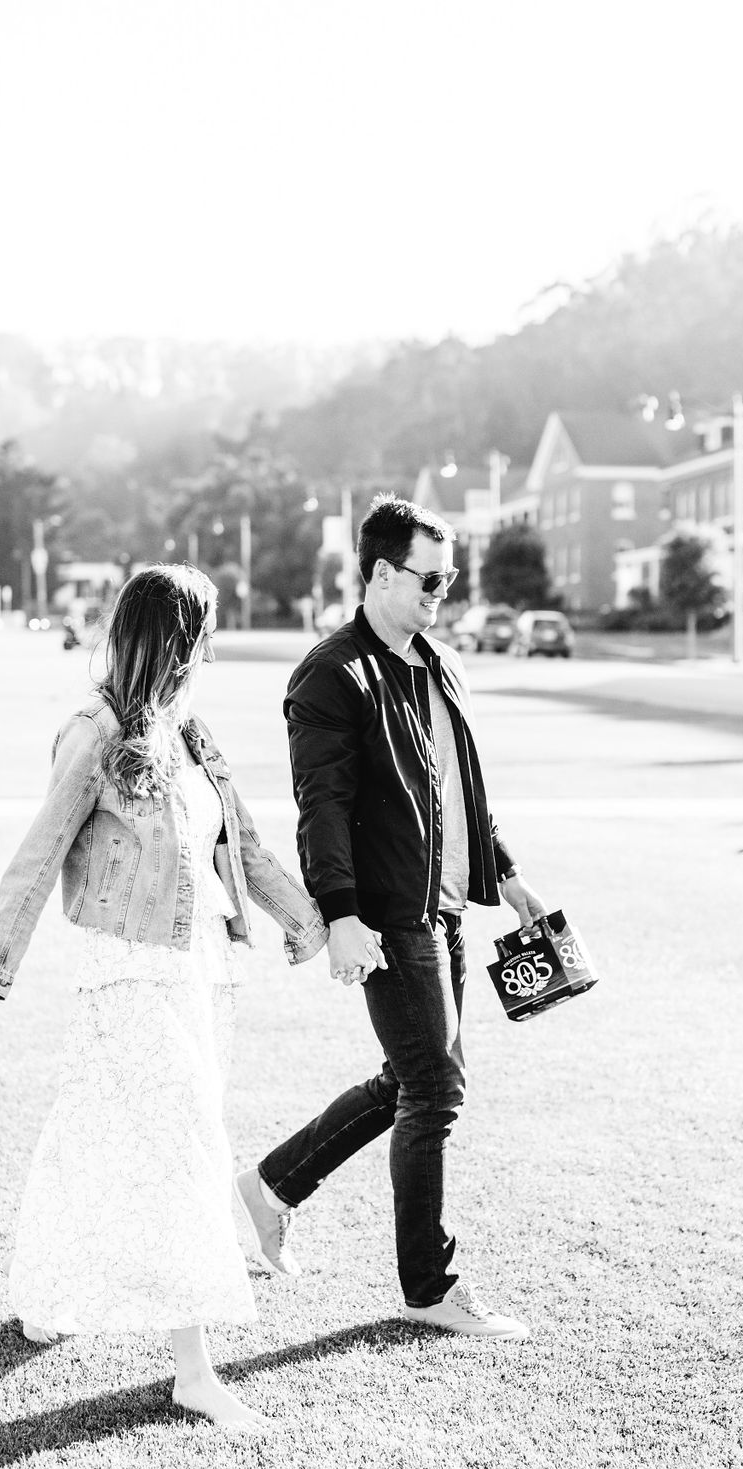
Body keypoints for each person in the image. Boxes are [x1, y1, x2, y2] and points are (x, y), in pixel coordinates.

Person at [0, 565, 327, 1432]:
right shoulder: (97, 733)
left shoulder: (195, 736)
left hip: (202, 969)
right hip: (129, 970)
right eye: (206, 635)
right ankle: (194, 1373)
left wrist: (318, 926)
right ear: (178, 641)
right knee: (189, 1147)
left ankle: (46, 1292)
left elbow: (246, 848)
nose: (213, 652)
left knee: (90, 1126)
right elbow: (37, 859)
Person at [232, 496, 547, 1340]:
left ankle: (270, 1187)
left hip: (446, 908)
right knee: (435, 1089)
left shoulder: (441, 665)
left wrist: (508, 874)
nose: (443, 593)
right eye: (430, 579)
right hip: (388, 914)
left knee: (411, 1079)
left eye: (450, 578)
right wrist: (340, 915)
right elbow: (321, 807)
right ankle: (428, 1288)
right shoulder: (332, 674)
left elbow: (462, 790)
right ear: (379, 574)